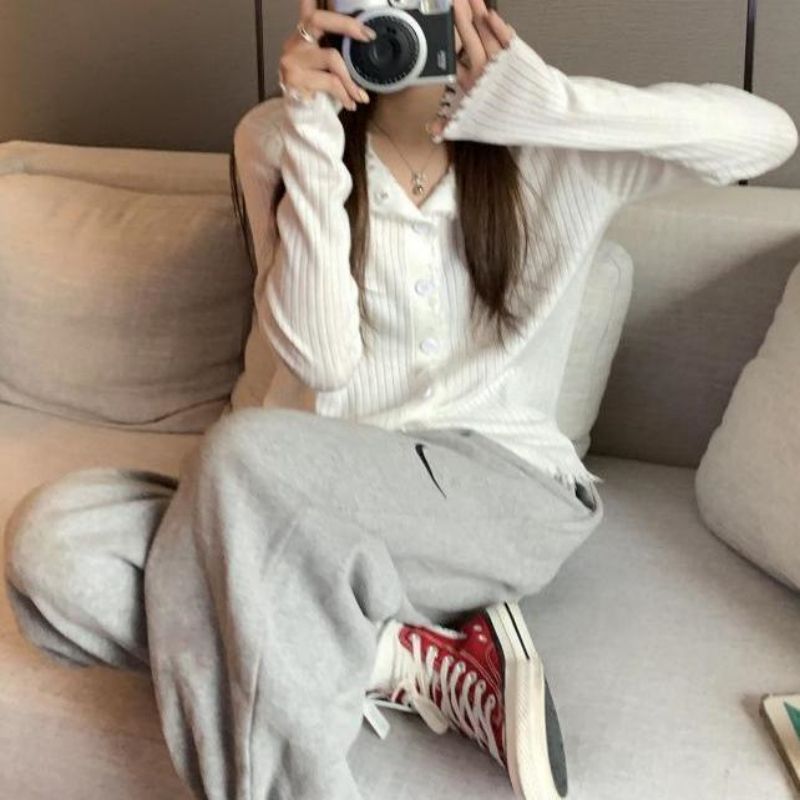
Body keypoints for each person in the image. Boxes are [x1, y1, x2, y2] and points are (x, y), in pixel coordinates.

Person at [3, 0, 797, 798]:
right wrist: (313, 132)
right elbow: (320, 360)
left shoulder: (554, 146)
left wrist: (549, 103)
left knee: (243, 462)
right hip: (306, 500)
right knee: (57, 548)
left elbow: (766, 135)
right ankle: (401, 653)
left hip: (497, 493)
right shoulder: (277, 136)